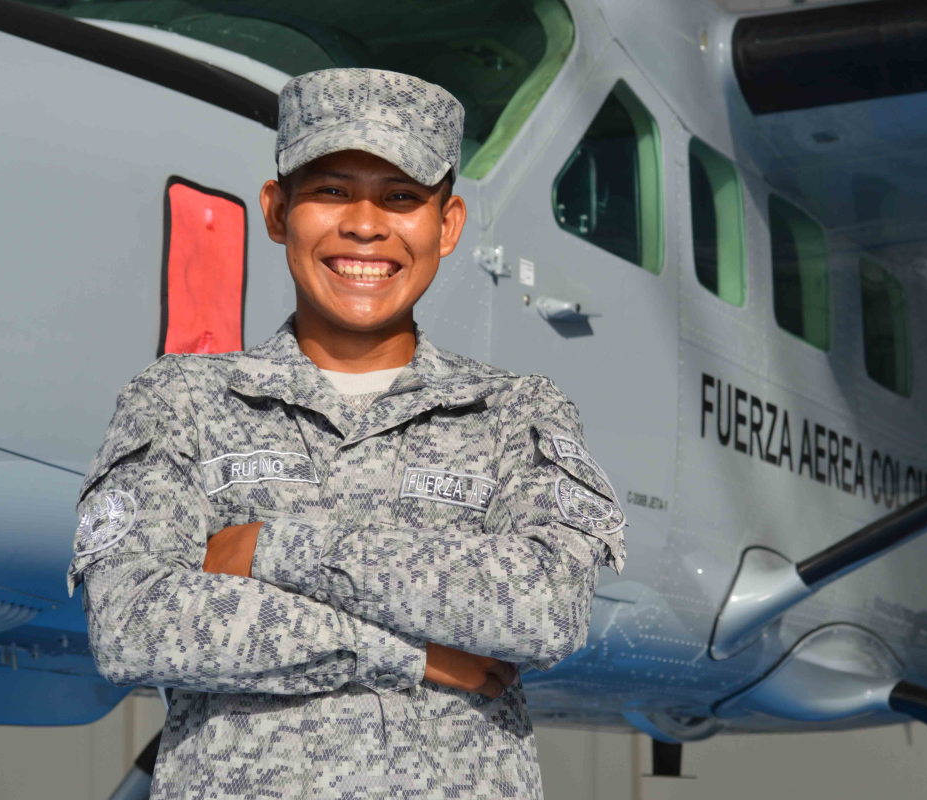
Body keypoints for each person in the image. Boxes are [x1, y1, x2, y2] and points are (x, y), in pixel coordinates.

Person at [67, 68, 626, 799]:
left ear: (448, 225)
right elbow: (134, 624)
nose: (366, 224)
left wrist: (269, 547)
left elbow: (545, 609)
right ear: (276, 211)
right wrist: (407, 654)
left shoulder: (515, 414)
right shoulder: (179, 402)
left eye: (401, 197)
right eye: (331, 190)